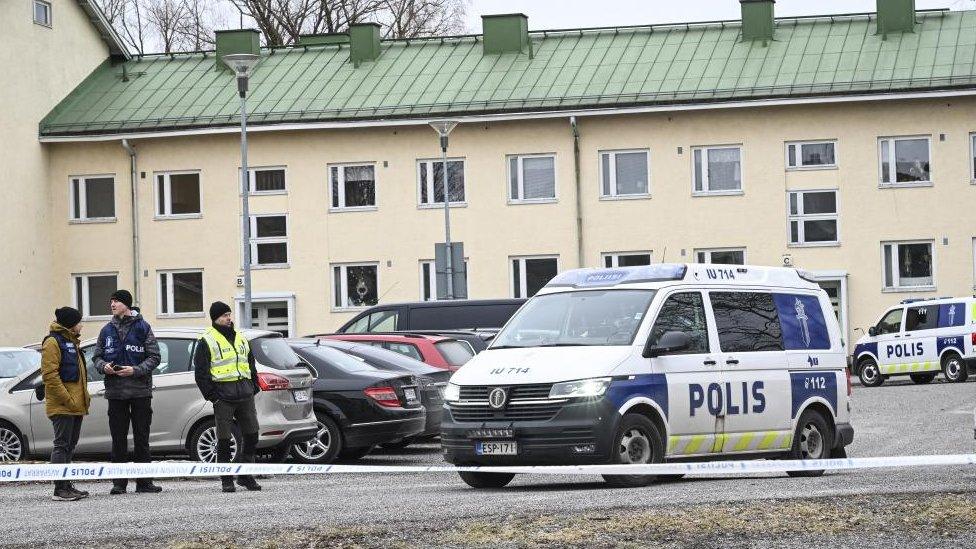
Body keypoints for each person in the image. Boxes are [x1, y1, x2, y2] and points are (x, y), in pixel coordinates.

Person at [91, 289, 162, 495]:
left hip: (140, 391)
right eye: (111, 301)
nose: (112, 304)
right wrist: (104, 366)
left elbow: (155, 357)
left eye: (116, 301)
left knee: (142, 437)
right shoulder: (106, 330)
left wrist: (136, 370)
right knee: (118, 438)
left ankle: (144, 482)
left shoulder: (143, 327)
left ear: (127, 305)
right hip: (116, 392)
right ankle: (119, 483)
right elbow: (96, 357)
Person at [194, 301, 262, 493]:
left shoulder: (241, 338)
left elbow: (251, 364)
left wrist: (254, 386)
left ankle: (245, 475)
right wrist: (212, 396)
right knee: (224, 439)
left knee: (251, 434)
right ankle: (226, 479)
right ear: (215, 318)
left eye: (229, 314)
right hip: (223, 396)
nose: (228, 318)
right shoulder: (207, 340)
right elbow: (201, 373)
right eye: (224, 315)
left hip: (245, 394)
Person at [41, 307, 91, 501]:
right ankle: (59, 489)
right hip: (63, 406)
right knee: (61, 445)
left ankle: (67, 484)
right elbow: (50, 376)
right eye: (79, 322)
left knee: (70, 445)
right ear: (71, 324)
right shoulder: (53, 342)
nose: (81, 325)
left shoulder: (71, 341)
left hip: (75, 406)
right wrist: (68, 400)